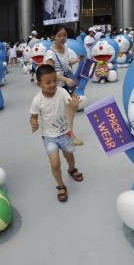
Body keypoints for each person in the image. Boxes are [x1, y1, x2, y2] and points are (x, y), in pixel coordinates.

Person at [30, 64, 83, 202]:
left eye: (54, 80)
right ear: (39, 84)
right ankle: (60, 186)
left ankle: (71, 169)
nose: (52, 84)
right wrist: (34, 123)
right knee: (55, 164)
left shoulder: (62, 92)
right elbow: (33, 116)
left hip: (65, 134)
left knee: (69, 157)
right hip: (49, 138)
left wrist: (75, 104)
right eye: (48, 82)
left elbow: (70, 104)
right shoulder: (37, 100)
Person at [43, 25, 83, 146]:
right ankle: (69, 136)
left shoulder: (65, 48)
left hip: (67, 85)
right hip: (57, 87)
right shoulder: (50, 53)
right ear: (53, 37)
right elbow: (50, 73)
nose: (62, 38)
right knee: (68, 111)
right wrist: (65, 79)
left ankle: (66, 135)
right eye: (59, 36)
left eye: (64, 35)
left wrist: (75, 60)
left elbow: (65, 64)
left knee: (68, 111)